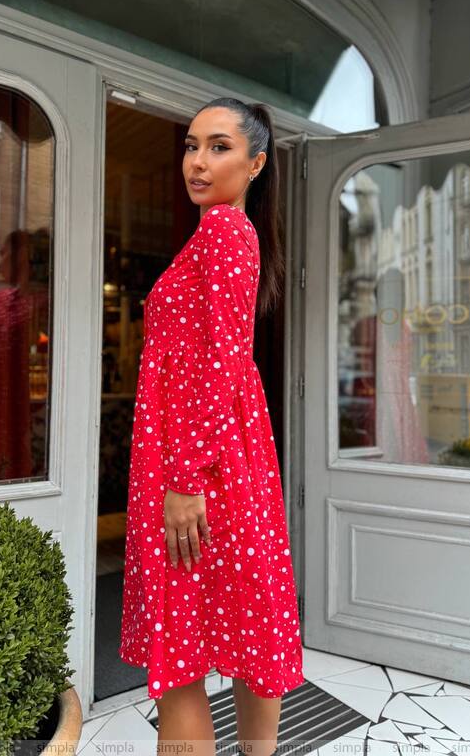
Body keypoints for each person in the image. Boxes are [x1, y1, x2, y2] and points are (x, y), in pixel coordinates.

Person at [119, 98, 304, 756]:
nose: (198, 161)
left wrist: (185, 478)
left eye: (219, 147)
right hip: (209, 454)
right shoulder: (216, 233)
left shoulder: (227, 232)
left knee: (181, 665)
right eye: (192, 145)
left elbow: (225, 359)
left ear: (256, 163)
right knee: (230, 629)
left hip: (197, 462)